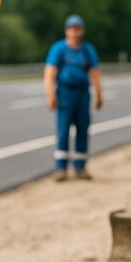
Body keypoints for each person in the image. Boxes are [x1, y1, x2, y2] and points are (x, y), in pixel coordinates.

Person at [44, 14, 103, 181]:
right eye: (72, 29)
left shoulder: (87, 50)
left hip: (83, 94)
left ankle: (80, 167)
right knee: (63, 131)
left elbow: (95, 72)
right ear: (67, 31)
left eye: (78, 29)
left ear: (82, 31)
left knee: (83, 130)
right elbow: (49, 73)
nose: (75, 33)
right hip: (65, 93)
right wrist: (50, 94)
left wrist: (99, 94)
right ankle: (61, 169)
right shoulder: (59, 49)